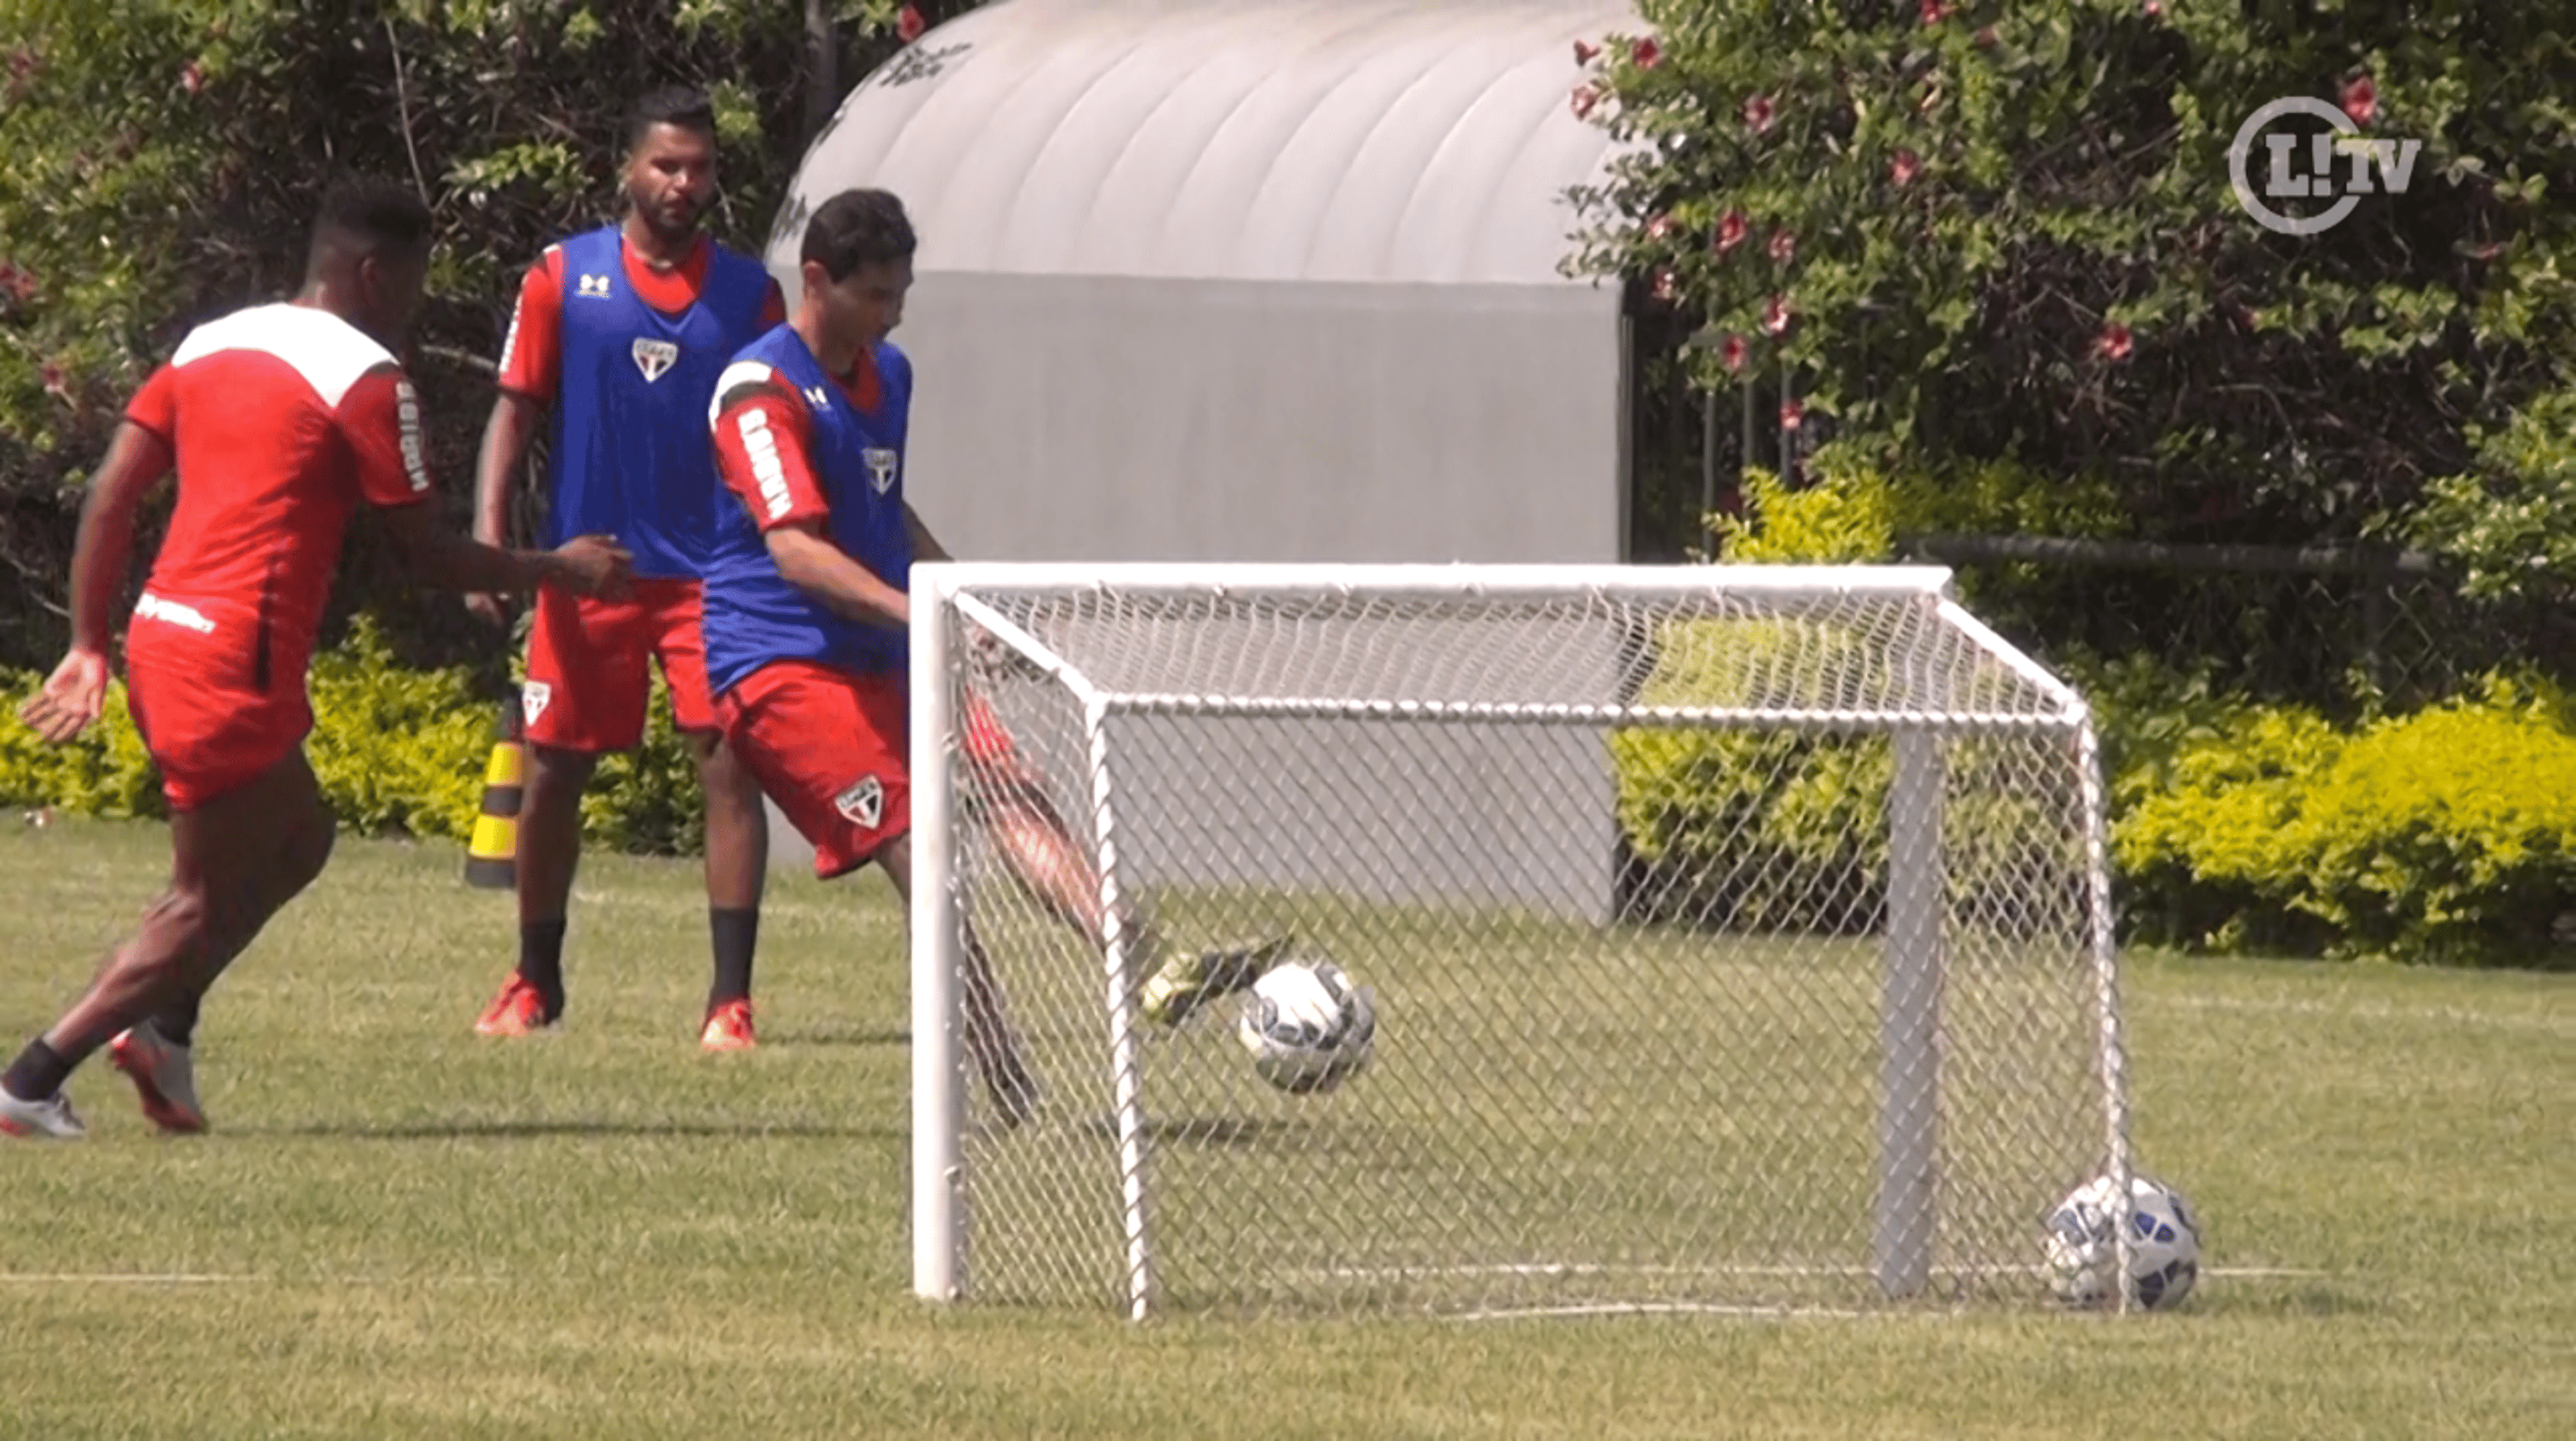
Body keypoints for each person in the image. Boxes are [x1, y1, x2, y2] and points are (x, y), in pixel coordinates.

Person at [1, 175, 632, 1140]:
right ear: (376, 274)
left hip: (164, 631)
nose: (414, 304)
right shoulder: (366, 378)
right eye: (414, 283)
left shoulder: (211, 342)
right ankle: (33, 1078)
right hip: (232, 657)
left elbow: (111, 492)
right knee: (196, 898)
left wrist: (90, 640)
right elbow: (423, 556)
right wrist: (563, 568)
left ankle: (165, 1033)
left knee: (300, 840)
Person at [701, 189, 1283, 1119]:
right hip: (781, 660)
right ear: (818, 280)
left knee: (1013, 784)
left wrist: (966, 599)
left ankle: (1137, 951)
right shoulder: (758, 391)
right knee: (916, 848)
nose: (894, 314)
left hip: (890, 640)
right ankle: (1004, 1071)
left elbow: (883, 508)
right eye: (878, 294)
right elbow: (795, 550)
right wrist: (918, 609)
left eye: (904, 292)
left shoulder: (888, 375)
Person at [465, 85, 786, 1051]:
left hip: (711, 576)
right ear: (628, 167)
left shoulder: (749, 294)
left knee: (730, 768)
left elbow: (774, 419)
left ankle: (730, 1001)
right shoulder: (564, 276)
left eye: (700, 167)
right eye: (667, 164)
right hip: (586, 570)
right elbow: (513, 412)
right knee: (555, 770)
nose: (684, 183)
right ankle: (535, 981)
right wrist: (496, 548)